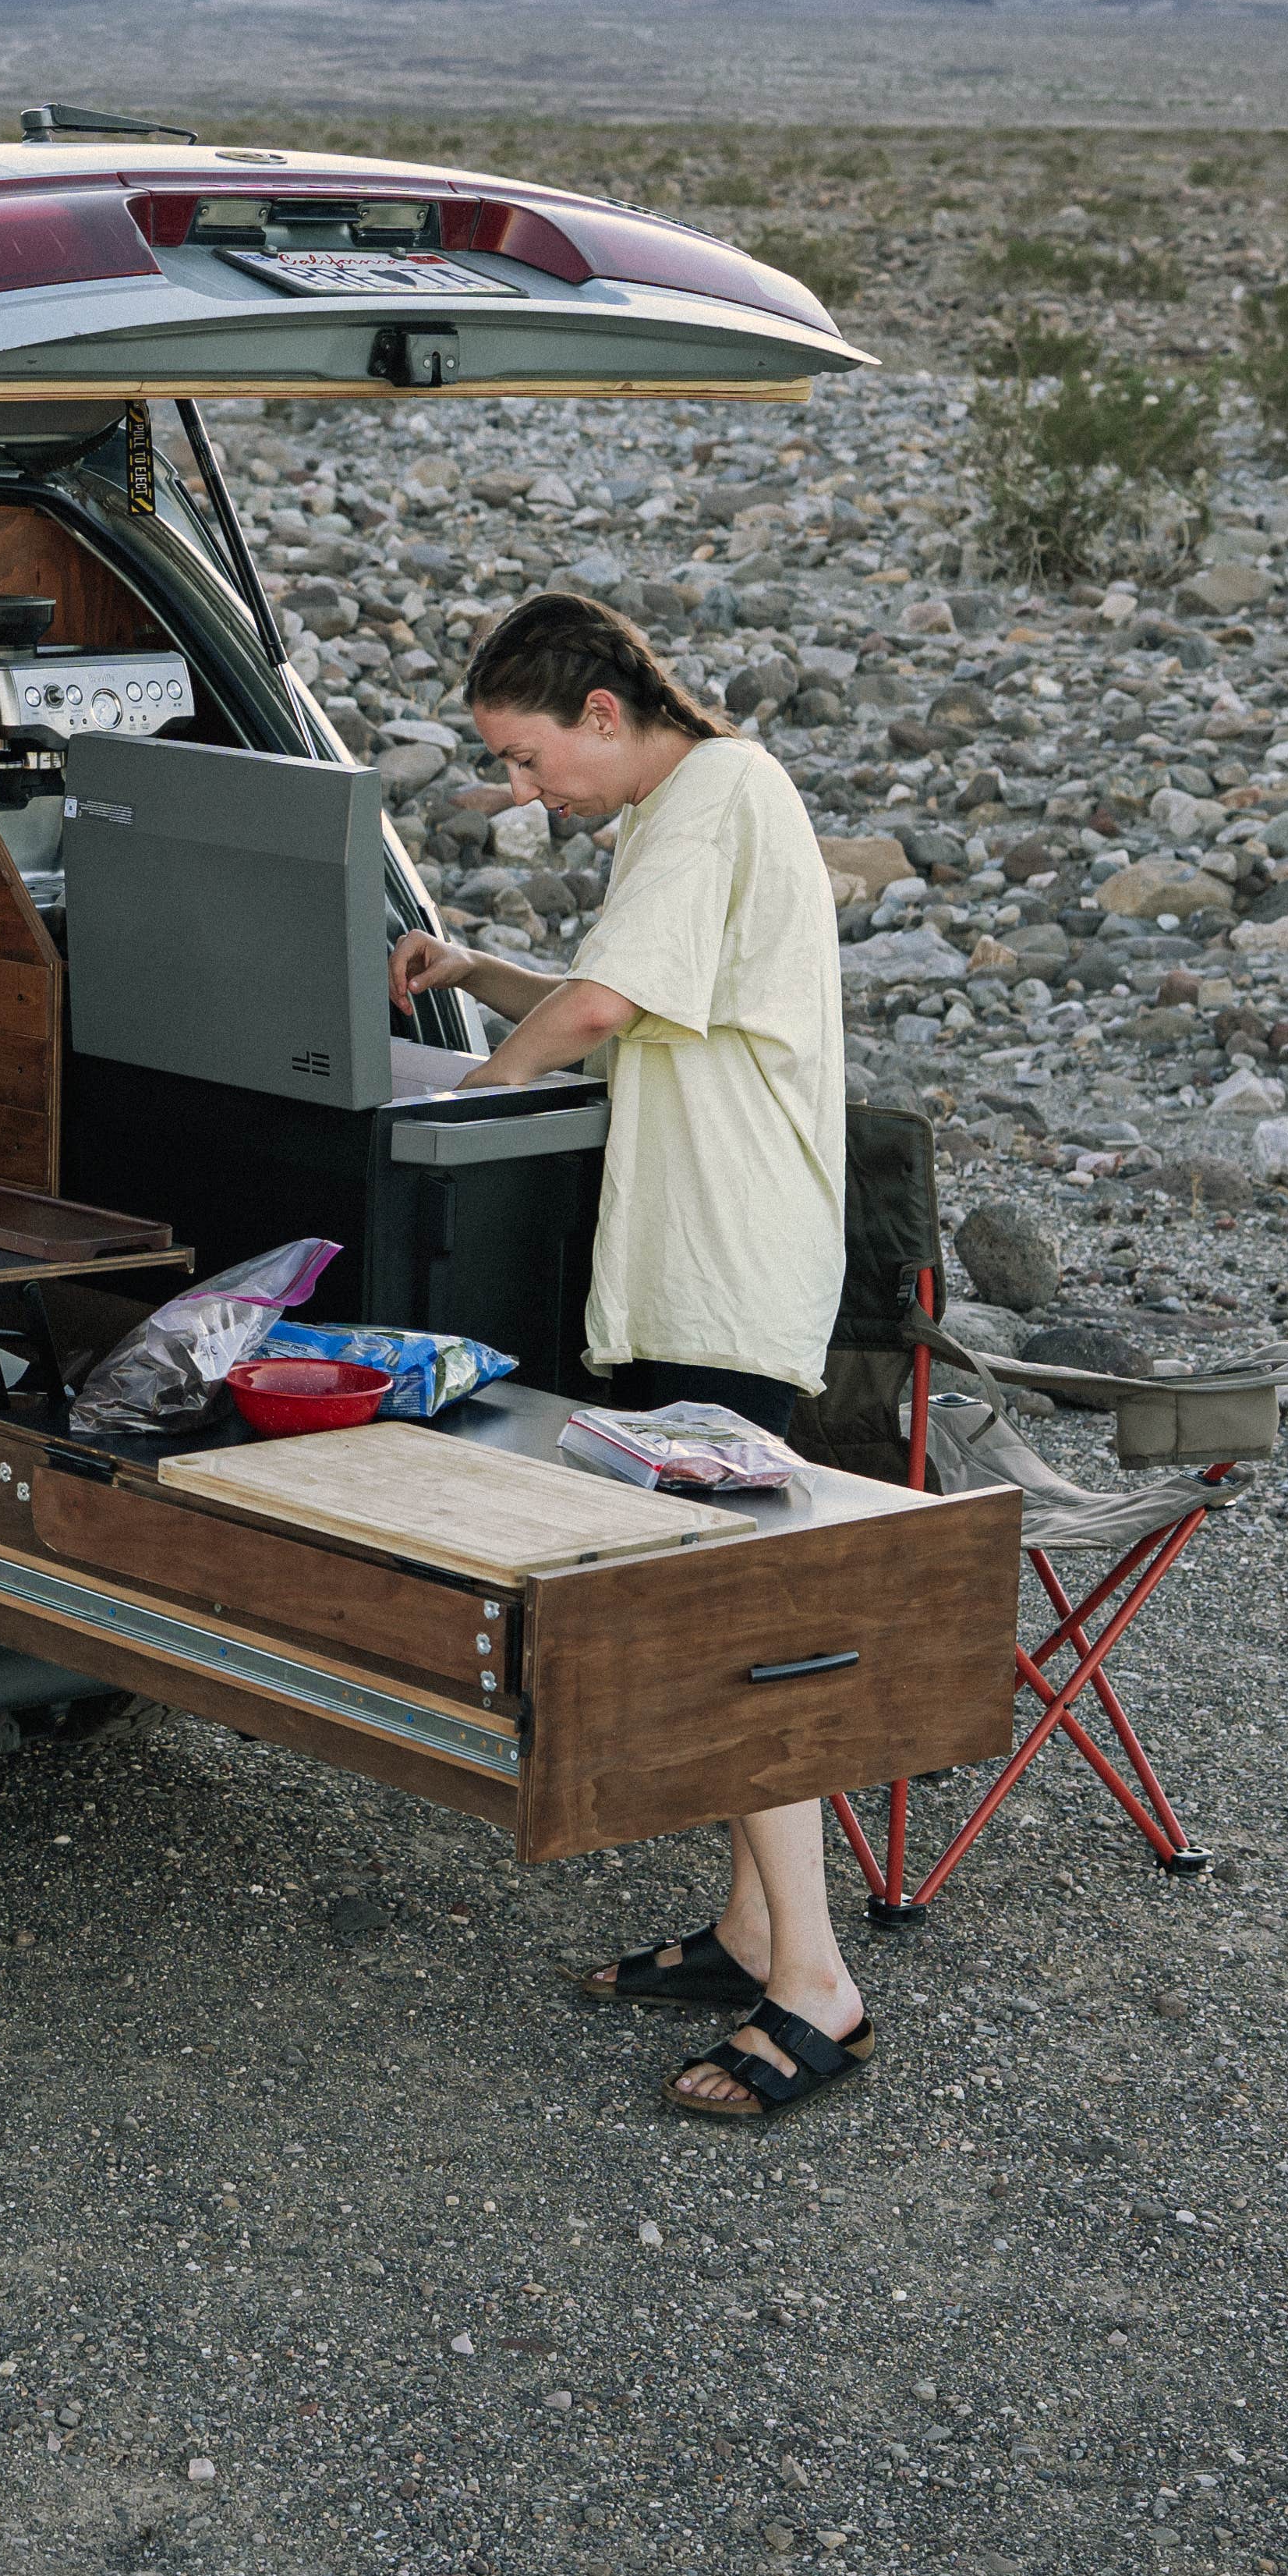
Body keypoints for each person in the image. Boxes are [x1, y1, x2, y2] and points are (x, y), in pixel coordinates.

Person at [388, 588, 871, 2124]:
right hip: (699, 1271)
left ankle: (819, 1984)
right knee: (709, 1612)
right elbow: (630, 1002)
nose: (525, 790)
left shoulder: (715, 791)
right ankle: (751, 1932)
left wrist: (460, 1104)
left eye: (528, 758)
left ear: (603, 711)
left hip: (727, 1272)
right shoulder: (692, 808)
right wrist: (475, 973)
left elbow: (600, 1009)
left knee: (730, 1628)